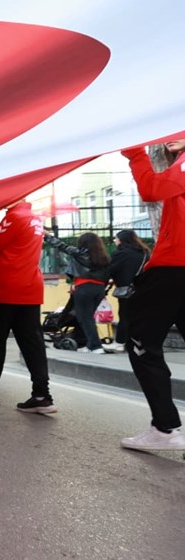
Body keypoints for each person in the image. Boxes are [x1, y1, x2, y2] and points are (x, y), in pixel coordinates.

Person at [118, 141, 185, 450]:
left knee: (141, 340)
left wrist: (134, 152)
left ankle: (165, 427)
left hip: (174, 268)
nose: (167, 137)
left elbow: (151, 189)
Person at [0, 201, 55, 413]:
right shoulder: (34, 219)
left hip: (6, 288)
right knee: (33, 344)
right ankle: (42, 394)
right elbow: (8, 246)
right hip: (30, 288)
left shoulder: (14, 217)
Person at [43, 231, 111, 353]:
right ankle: (89, 344)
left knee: (84, 317)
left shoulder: (80, 253)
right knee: (88, 317)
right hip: (99, 289)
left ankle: (96, 346)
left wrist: (47, 236)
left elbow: (62, 246)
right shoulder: (104, 258)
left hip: (84, 287)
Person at [104, 229, 149, 353]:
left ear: (122, 240)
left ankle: (120, 343)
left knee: (124, 316)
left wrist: (106, 283)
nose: (115, 241)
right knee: (138, 317)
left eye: (116, 238)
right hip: (142, 289)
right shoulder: (144, 253)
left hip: (126, 290)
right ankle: (139, 344)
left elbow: (110, 270)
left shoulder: (121, 254)